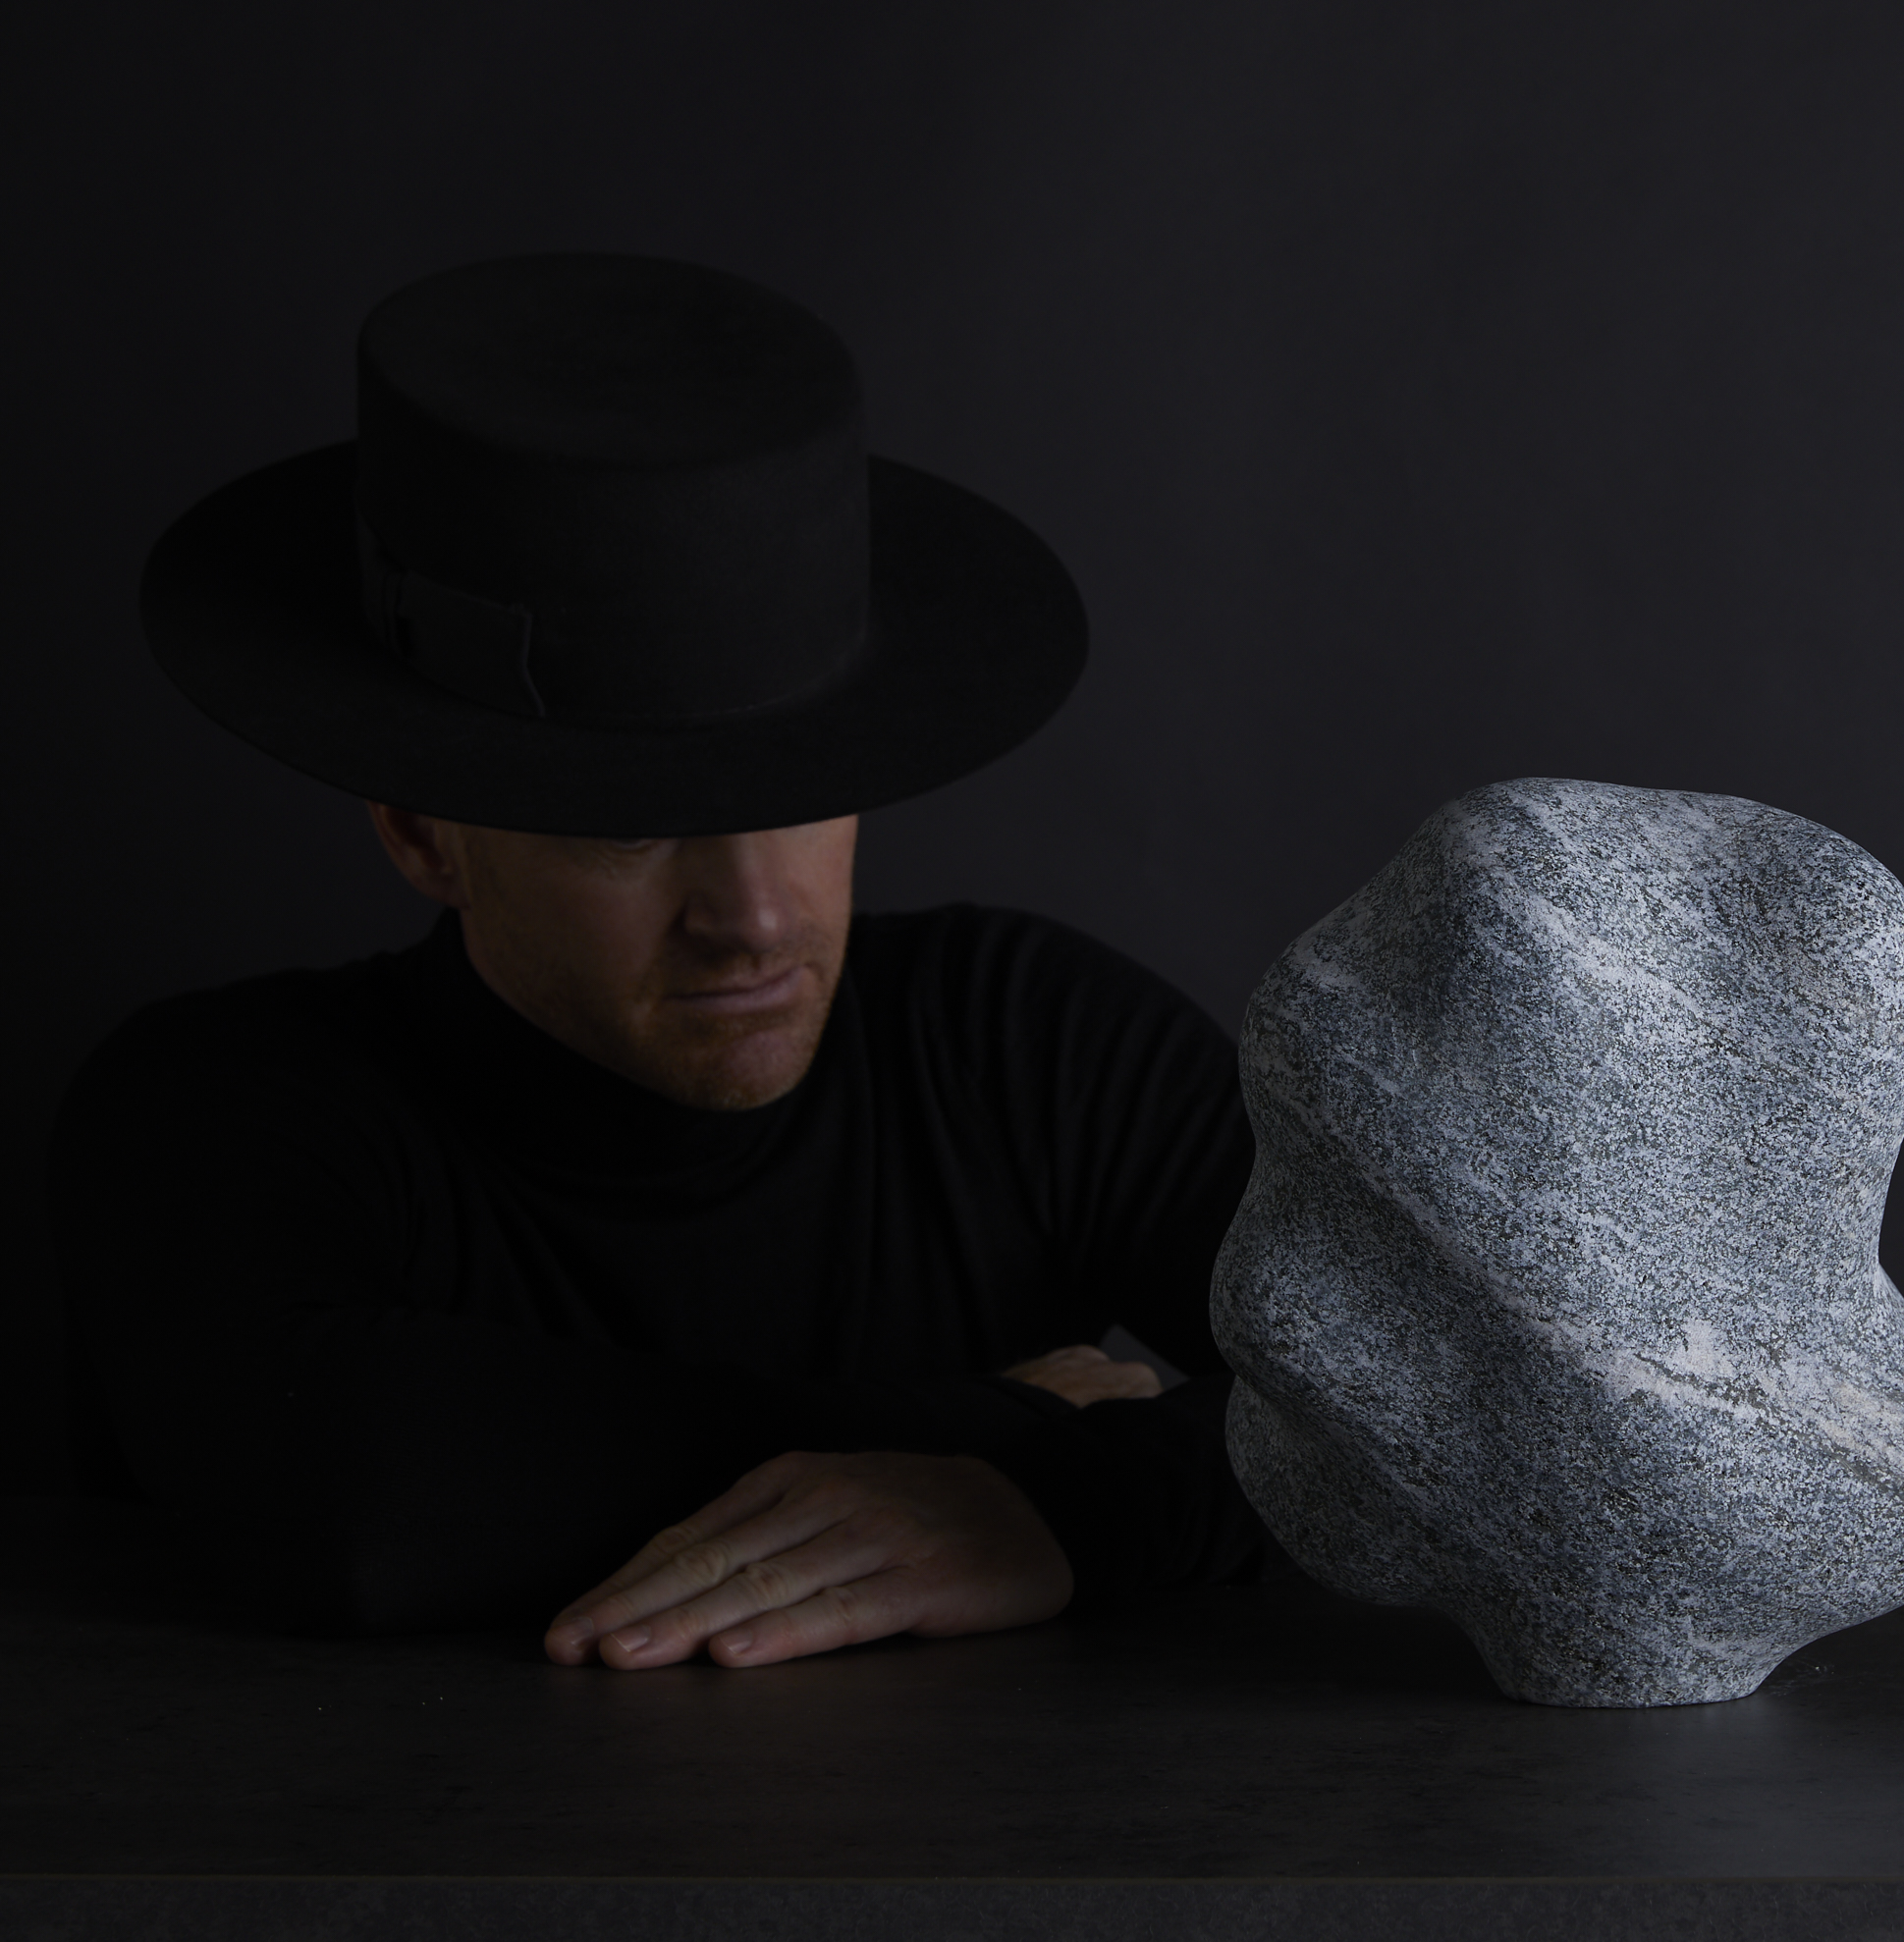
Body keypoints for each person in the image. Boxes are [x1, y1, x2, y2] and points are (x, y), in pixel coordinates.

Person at [50, 252, 1266, 1672]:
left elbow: (1435, 1403)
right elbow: (347, 1504)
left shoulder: (1029, 1042)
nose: (750, 914)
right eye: (630, 828)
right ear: (425, 835)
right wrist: (1008, 1427)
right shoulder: (220, 1107)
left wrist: (1060, 1509)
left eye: (804, 793)